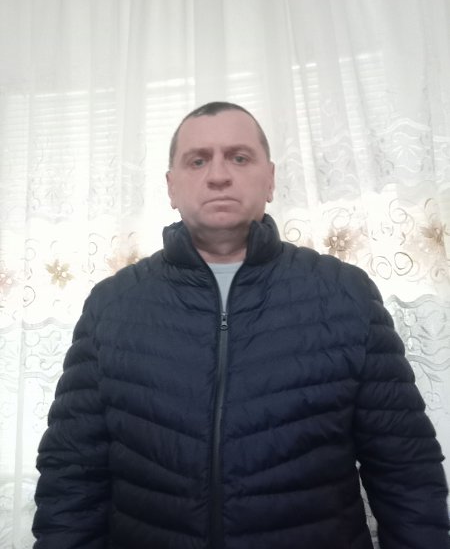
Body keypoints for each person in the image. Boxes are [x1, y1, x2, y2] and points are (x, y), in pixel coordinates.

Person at [33, 101, 450, 549]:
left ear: (269, 179)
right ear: (171, 187)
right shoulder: (112, 305)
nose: (218, 175)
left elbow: (406, 473)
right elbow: (72, 476)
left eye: (238, 157)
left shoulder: (344, 294)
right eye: (198, 161)